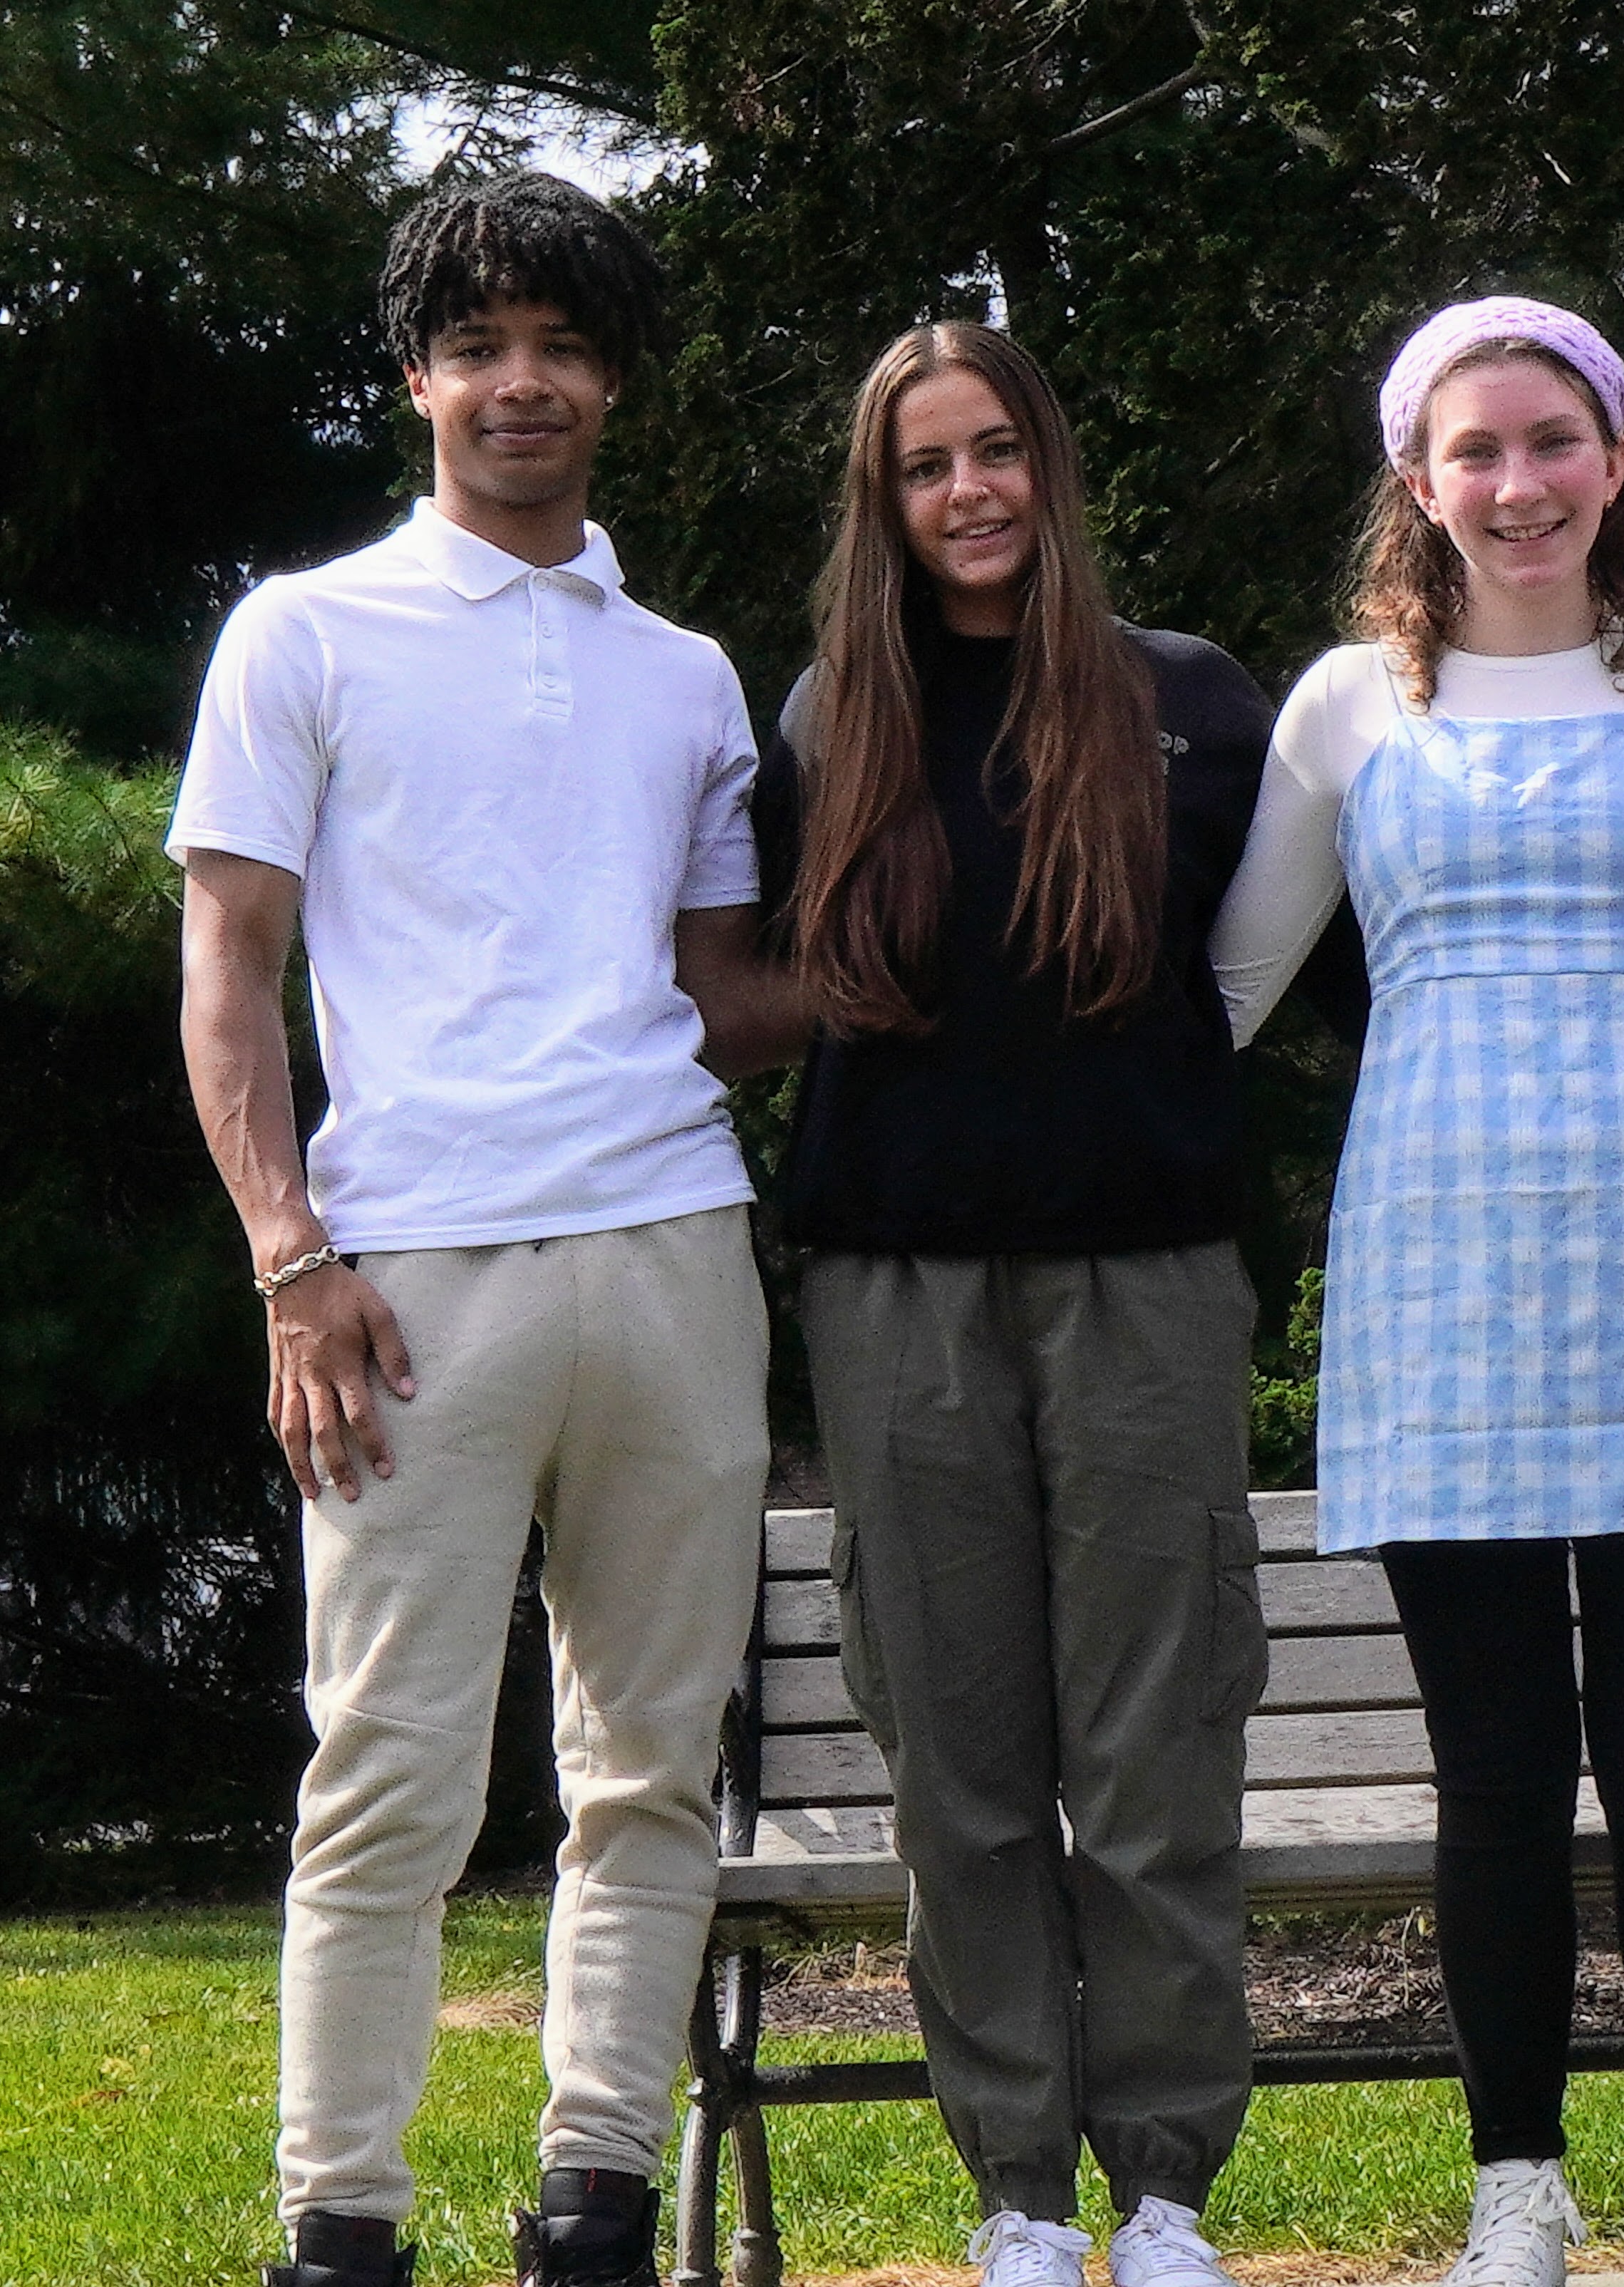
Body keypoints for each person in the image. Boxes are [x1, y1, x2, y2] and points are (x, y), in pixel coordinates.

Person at [172, 172, 769, 2287]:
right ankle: (342, 2226)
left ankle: (596, 2202)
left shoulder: (691, 675)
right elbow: (227, 971)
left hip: (678, 1250)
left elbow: (719, 987)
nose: (522, 382)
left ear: (611, 378)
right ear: (417, 371)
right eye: (480, 343)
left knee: (649, 1768)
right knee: (391, 1773)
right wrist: (287, 1253)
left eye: (562, 344)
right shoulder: (303, 631)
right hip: (403, 1283)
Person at [1208, 297, 1624, 2287]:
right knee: (1489, 1769)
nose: (1519, 481)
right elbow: (1223, 993)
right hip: (1433, 1273)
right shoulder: (1340, 708)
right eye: (1475, 449)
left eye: (1554, 439)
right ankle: (1516, 2185)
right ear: (1419, 478)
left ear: (1614, 458)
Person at [731, 321, 1283, 2287]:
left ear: (1050, 466)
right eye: (923, 465)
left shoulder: (1195, 706)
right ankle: (1021, 2197)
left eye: (997, 452)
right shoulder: (826, 721)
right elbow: (759, 985)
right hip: (896, 1295)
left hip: (1146, 1284)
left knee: (1155, 1757)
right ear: (881, 503)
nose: (968, 492)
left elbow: (1269, 971)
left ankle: (1160, 2189)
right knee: (957, 1769)